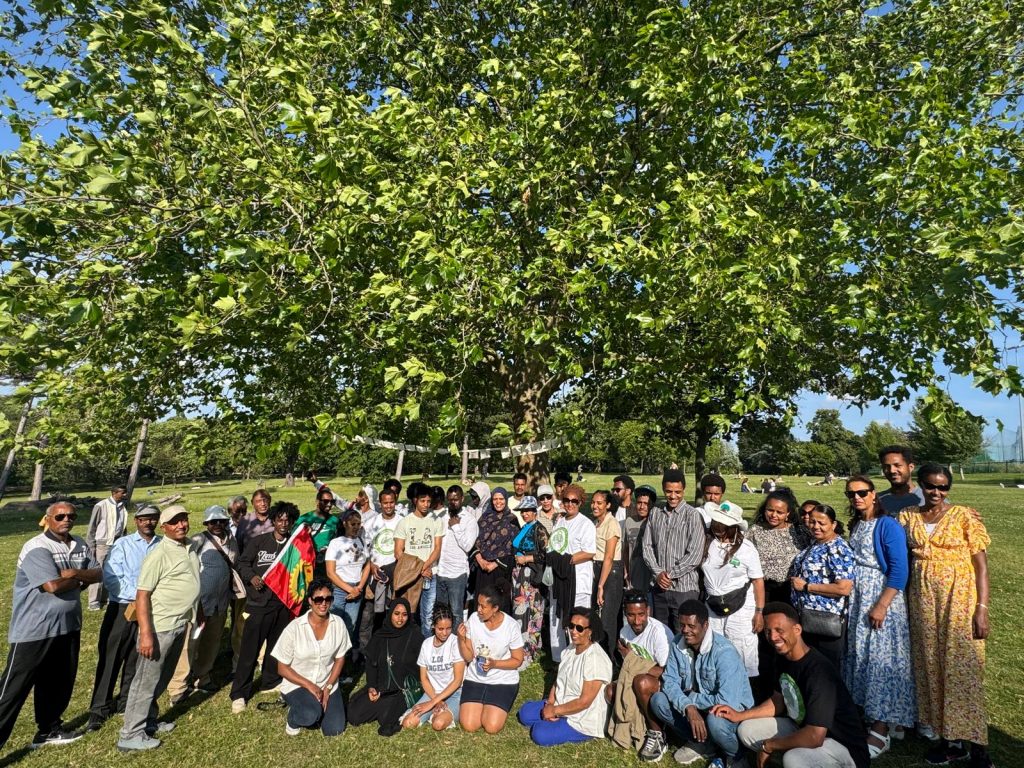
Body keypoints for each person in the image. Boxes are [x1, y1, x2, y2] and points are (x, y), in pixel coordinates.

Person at [898, 464, 993, 767]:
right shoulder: (908, 516)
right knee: (931, 667)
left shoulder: (964, 516)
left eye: (943, 487)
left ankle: (979, 748)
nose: (936, 492)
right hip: (923, 602)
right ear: (921, 486)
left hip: (959, 600)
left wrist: (982, 609)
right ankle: (950, 741)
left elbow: (981, 567)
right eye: (930, 486)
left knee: (962, 669)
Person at [716, 602, 869, 768]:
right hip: (803, 728)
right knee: (746, 730)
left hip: (842, 746)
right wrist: (740, 715)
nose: (773, 637)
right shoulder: (782, 657)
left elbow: (815, 736)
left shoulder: (819, 671)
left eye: (779, 630)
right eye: (768, 631)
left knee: (793, 759)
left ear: (797, 630)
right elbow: (778, 701)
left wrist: (770, 745)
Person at [0, 501, 99, 750]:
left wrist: (72, 574)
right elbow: (52, 586)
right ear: (48, 519)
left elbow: (99, 573)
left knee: (58, 682)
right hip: (34, 630)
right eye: (60, 516)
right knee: (12, 690)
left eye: (71, 516)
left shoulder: (80, 544)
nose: (66, 520)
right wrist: (80, 577)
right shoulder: (37, 547)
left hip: (68, 626)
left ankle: (48, 730)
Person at [841, 475, 915, 760]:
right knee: (861, 656)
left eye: (862, 492)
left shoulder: (888, 525)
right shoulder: (858, 524)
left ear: (874, 494)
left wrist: (882, 605)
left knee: (880, 660)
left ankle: (882, 728)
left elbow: (899, 569)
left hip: (880, 595)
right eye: (851, 494)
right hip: (859, 597)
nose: (857, 498)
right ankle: (871, 716)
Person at [117, 505, 201, 752]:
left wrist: (199, 611)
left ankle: (148, 721)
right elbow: (142, 595)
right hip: (159, 627)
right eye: (174, 522)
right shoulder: (159, 554)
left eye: (183, 520)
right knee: (145, 681)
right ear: (163, 527)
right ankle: (130, 734)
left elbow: (192, 582)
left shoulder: (189, 547)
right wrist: (146, 634)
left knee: (161, 678)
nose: (181, 525)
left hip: (181, 622)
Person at [639, 600, 754, 766]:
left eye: (691, 626)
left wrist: (691, 700)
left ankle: (735, 756)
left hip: (730, 713)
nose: (685, 630)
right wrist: (688, 707)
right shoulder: (677, 643)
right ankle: (702, 743)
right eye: (682, 625)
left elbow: (727, 702)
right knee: (658, 701)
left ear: (705, 625)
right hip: (698, 707)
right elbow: (669, 681)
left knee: (716, 720)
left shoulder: (724, 652)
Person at [87, 504, 162, 732]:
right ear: (136, 521)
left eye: (153, 518)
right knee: (111, 658)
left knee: (136, 658)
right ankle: (99, 708)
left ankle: (126, 701)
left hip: (150, 609)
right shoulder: (123, 544)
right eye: (144, 519)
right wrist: (140, 595)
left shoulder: (162, 544)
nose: (148, 522)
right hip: (123, 607)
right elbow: (111, 577)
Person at [168, 504, 241, 704]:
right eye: (213, 521)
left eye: (221, 521)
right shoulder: (199, 540)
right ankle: (178, 686)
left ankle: (203, 676)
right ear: (206, 523)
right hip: (199, 603)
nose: (217, 525)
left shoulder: (232, 540)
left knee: (212, 640)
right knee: (190, 643)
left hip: (220, 601)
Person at [230, 501, 299, 713]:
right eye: (280, 519)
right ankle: (239, 693)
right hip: (258, 603)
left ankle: (270, 681)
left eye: (288, 520)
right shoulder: (259, 541)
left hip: (282, 604)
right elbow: (242, 563)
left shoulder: (293, 546)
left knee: (276, 647)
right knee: (249, 650)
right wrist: (251, 577)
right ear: (273, 521)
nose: (284, 524)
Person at [747, 490, 810, 699]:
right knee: (765, 640)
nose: (773, 515)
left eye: (779, 512)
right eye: (770, 510)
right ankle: (765, 691)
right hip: (764, 591)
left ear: (788, 513)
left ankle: (790, 688)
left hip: (789, 592)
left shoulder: (799, 532)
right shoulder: (755, 531)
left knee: (788, 639)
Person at [518, 607, 612, 746]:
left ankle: (564, 726)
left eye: (579, 628)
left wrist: (555, 711)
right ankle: (554, 719)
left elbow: (584, 702)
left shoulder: (595, 659)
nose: (573, 631)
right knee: (524, 713)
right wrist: (550, 703)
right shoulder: (570, 649)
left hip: (582, 718)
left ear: (590, 631)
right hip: (561, 704)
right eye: (571, 626)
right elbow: (558, 681)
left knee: (539, 733)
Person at [271, 579, 349, 737]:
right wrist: (310, 686)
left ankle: (317, 708)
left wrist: (328, 687)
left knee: (334, 729)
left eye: (328, 599)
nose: (323, 603)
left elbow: (340, 658)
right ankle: (293, 719)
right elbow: (282, 668)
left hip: (326, 682)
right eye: (318, 599)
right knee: (310, 715)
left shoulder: (338, 624)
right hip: (298, 684)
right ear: (310, 601)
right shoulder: (294, 628)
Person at [702, 502, 765, 684]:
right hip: (713, 604)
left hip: (741, 605)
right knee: (714, 645)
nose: (718, 526)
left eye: (723, 524)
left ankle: (745, 691)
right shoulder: (707, 541)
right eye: (716, 522)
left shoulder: (746, 549)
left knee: (741, 647)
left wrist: (759, 612)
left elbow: (758, 581)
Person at [789, 504, 855, 673]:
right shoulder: (817, 543)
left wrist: (807, 587)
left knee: (826, 670)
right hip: (808, 617)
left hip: (824, 622)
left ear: (833, 524)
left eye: (822, 523)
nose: (815, 526)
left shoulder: (838, 548)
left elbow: (844, 588)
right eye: (812, 522)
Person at [607, 592, 673, 753]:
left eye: (641, 614)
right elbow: (628, 668)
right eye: (631, 615)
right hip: (636, 681)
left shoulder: (659, 632)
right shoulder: (624, 632)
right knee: (610, 691)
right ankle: (634, 727)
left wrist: (632, 659)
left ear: (648, 611)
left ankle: (657, 732)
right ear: (625, 613)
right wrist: (632, 662)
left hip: (662, 683)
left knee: (641, 682)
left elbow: (666, 672)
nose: (637, 621)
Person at [457, 585, 525, 733]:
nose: (479, 610)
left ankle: (495, 703)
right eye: (478, 605)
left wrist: (495, 664)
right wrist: (461, 639)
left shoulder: (511, 626)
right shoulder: (473, 619)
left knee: (491, 727)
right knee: (469, 725)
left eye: (483, 606)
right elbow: (468, 657)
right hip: (476, 678)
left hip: (503, 680)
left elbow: (517, 660)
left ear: (495, 608)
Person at [348, 598, 421, 736]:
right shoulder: (380, 635)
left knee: (386, 721)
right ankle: (384, 707)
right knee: (354, 716)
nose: (400, 619)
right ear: (390, 614)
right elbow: (371, 664)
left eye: (404, 614)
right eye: (396, 614)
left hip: (401, 691)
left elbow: (420, 669)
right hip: (381, 690)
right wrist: (372, 687)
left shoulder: (415, 635)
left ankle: (389, 710)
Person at [643, 469, 706, 625]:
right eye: (668, 491)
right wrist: (658, 573)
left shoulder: (692, 515)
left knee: (684, 634)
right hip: (659, 588)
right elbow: (647, 547)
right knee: (661, 633)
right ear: (663, 489)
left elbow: (694, 555)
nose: (672, 496)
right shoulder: (655, 513)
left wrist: (669, 575)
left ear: (684, 490)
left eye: (677, 492)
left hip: (684, 588)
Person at [547, 483, 596, 662]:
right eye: (566, 500)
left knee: (577, 621)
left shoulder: (586, 524)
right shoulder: (560, 521)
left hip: (578, 581)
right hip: (558, 579)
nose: (570, 504)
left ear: (580, 502)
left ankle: (579, 658)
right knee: (556, 619)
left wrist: (564, 560)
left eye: (574, 501)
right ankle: (560, 659)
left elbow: (589, 552)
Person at [401, 603, 466, 731]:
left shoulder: (455, 642)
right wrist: (436, 701)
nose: (445, 633)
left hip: (455, 693)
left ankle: (440, 712)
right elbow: (424, 678)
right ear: (433, 626)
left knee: (438, 724)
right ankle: (434, 711)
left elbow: (457, 681)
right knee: (408, 723)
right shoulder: (426, 644)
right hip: (432, 693)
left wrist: (431, 703)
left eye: (448, 628)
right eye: (440, 629)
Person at [394, 484, 445, 636]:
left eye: (429, 501)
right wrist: (418, 569)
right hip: (410, 576)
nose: (426, 504)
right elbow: (398, 552)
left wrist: (425, 567)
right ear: (415, 500)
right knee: (408, 613)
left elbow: (437, 548)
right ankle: (408, 643)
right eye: (423, 501)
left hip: (430, 574)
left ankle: (425, 644)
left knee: (428, 615)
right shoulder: (405, 522)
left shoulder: (436, 520)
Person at [325, 510, 371, 664]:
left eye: (358, 524)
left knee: (349, 628)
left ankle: (341, 664)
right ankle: (329, 662)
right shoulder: (336, 543)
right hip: (339, 589)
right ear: (345, 523)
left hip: (357, 590)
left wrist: (359, 587)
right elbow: (330, 572)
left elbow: (367, 565)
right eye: (353, 524)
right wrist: (350, 589)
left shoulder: (361, 541)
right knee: (334, 627)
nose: (356, 527)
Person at [359, 488, 402, 646]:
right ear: (380, 503)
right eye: (385, 503)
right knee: (368, 615)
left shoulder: (402, 522)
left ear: (395, 502)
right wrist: (371, 565)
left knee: (391, 613)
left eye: (391, 502)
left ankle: (389, 646)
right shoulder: (371, 523)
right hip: (374, 575)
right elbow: (364, 550)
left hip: (395, 574)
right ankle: (365, 650)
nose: (388, 506)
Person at [510, 496, 548, 665]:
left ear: (534, 512)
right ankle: (519, 649)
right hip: (520, 576)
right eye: (522, 511)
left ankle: (528, 651)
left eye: (528, 511)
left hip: (531, 577)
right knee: (520, 611)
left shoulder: (539, 529)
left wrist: (526, 559)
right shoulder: (525, 527)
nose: (524, 514)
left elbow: (545, 554)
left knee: (531, 613)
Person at [436, 485, 478, 633]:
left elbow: (468, 546)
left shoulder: (469, 520)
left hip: (457, 573)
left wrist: (456, 527)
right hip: (440, 571)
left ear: (462, 499)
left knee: (456, 612)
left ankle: (457, 642)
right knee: (441, 612)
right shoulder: (442, 517)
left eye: (456, 499)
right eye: (450, 500)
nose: (452, 502)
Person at [474, 487, 520, 614]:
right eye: (495, 499)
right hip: (483, 569)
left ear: (506, 500)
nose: (498, 502)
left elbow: (515, 548)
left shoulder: (512, 519)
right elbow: (474, 541)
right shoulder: (484, 518)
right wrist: (480, 560)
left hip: (500, 570)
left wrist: (495, 564)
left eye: (501, 499)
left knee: (499, 606)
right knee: (482, 605)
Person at [592, 489, 624, 657]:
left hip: (610, 573)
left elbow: (609, 557)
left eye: (599, 503)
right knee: (597, 617)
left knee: (607, 619)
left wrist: (601, 586)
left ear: (608, 505)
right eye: (593, 502)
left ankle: (608, 659)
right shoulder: (596, 522)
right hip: (598, 568)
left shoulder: (612, 524)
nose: (594, 506)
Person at [85, 484, 128, 610]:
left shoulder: (123, 506)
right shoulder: (101, 506)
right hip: (103, 543)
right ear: (114, 493)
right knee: (98, 571)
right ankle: (93, 601)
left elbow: (122, 525)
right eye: (122, 492)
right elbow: (92, 527)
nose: (125, 495)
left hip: (117, 542)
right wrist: (91, 546)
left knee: (112, 570)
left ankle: (105, 597)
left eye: (125, 492)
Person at [296, 486, 343, 579]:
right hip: (307, 561)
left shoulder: (336, 521)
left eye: (332, 502)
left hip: (327, 561)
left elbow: (340, 540)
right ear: (317, 502)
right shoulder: (304, 519)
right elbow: (294, 540)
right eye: (325, 501)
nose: (329, 504)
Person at [625, 485, 656, 597]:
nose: (642, 507)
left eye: (646, 503)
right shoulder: (629, 522)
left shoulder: (656, 523)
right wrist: (626, 572)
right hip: (634, 576)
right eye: (639, 503)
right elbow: (626, 549)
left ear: (652, 505)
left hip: (652, 579)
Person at [877, 445, 926, 514]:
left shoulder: (928, 498)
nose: (892, 470)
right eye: (886, 466)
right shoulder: (877, 501)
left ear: (911, 467)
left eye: (897, 465)